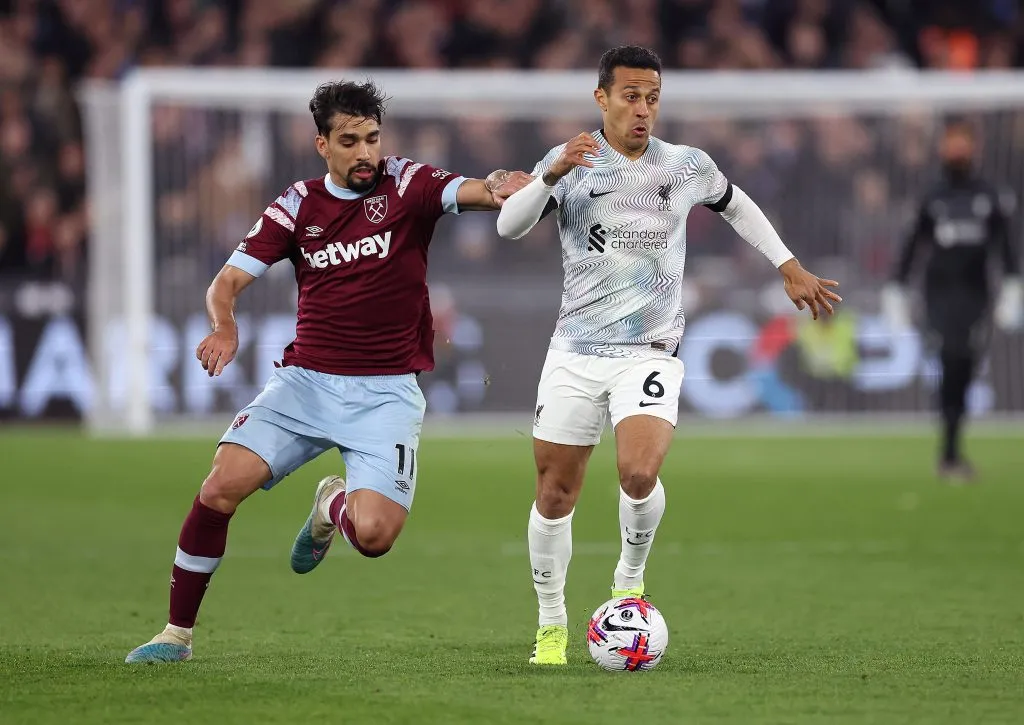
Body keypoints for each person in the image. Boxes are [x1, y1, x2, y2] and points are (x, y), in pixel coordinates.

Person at [125, 80, 530, 663]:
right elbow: (226, 282)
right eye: (349, 141)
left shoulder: (406, 183)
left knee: (374, 537)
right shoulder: (297, 205)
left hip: (386, 395)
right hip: (306, 383)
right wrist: (225, 325)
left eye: (372, 138)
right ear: (322, 145)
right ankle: (175, 635)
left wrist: (500, 185)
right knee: (218, 488)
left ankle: (331, 505)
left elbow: (477, 190)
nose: (366, 152)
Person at [496, 45, 842, 666]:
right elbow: (508, 227)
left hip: (649, 351)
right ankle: (550, 624)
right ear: (602, 98)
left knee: (638, 473)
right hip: (575, 350)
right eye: (630, 96)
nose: (642, 110)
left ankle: (629, 580)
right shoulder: (569, 162)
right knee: (555, 493)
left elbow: (736, 204)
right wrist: (550, 174)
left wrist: (787, 264)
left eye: (652, 98)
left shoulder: (685, 166)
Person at [882, 117, 1022, 482]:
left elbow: (1006, 247)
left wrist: (1012, 288)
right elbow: (912, 245)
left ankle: (951, 447)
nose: (957, 148)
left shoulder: (990, 195)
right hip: (939, 293)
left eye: (963, 141)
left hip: (976, 295)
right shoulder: (933, 195)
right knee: (951, 357)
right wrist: (896, 288)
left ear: (974, 147)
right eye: (951, 141)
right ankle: (949, 451)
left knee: (965, 367)